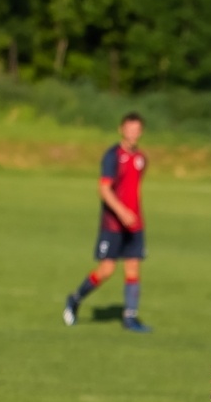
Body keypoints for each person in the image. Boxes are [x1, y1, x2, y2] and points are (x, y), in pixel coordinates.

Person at [63, 113, 153, 332]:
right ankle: (74, 299)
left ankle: (130, 317)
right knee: (107, 269)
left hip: (135, 224)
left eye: (137, 129)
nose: (133, 133)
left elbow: (135, 190)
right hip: (113, 224)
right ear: (121, 130)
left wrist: (135, 215)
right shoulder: (112, 156)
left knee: (133, 266)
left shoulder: (141, 158)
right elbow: (103, 189)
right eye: (129, 129)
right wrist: (122, 212)